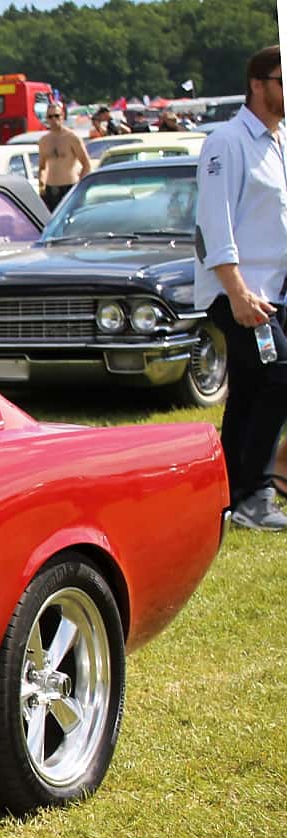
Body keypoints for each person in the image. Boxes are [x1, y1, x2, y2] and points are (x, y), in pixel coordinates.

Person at [194, 44, 287, 531]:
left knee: (252, 390)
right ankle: (254, 494)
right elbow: (214, 222)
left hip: (275, 292)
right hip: (241, 295)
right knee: (279, 377)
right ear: (256, 83)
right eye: (281, 78)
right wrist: (237, 292)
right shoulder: (226, 142)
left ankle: (227, 493)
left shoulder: (279, 141)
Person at [38, 104, 91, 211]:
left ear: (62, 116)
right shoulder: (44, 140)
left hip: (69, 187)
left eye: (56, 116)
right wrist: (41, 183)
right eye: (50, 117)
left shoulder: (72, 138)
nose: (54, 120)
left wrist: (79, 186)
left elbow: (86, 164)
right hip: (51, 189)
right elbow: (42, 166)